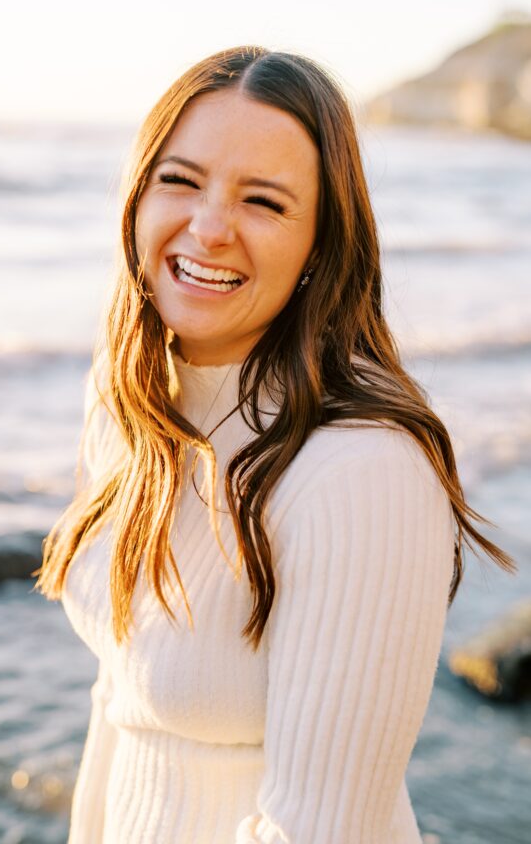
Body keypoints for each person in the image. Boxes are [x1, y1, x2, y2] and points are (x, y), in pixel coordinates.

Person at [35, 46, 516, 844]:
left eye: (263, 202)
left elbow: (322, 832)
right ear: (136, 196)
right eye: (180, 181)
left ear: (319, 246)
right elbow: (116, 706)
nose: (210, 227)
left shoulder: (362, 471)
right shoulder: (130, 401)